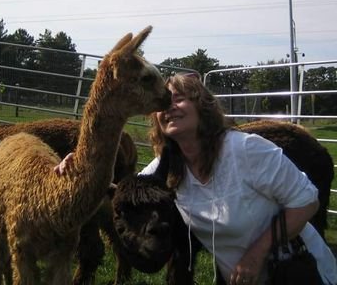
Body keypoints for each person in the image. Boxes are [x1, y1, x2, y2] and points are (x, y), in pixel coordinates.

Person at [138, 73, 337, 285]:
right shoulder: (168, 166)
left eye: (178, 98)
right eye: (162, 102)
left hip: (296, 273)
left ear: (202, 106)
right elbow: (128, 190)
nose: (169, 106)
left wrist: (257, 253)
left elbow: (307, 201)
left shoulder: (245, 149)